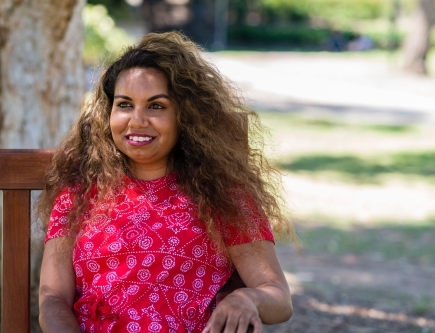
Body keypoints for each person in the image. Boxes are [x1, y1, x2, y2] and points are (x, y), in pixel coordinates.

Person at [37, 31, 297, 333]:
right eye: (124, 105)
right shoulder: (80, 194)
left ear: (185, 117)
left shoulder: (222, 196)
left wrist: (247, 298)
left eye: (156, 106)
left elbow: (278, 297)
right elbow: (53, 298)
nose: (137, 120)